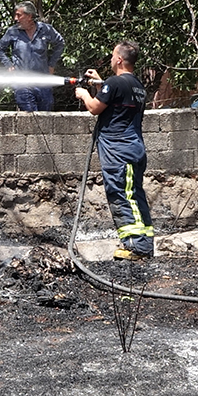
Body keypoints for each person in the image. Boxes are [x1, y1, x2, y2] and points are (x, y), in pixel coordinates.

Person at [74, 41, 154, 260]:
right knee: (134, 195)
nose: (110, 59)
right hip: (132, 147)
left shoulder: (116, 82)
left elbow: (94, 108)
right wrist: (102, 86)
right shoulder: (136, 84)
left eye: (112, 56)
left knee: (124, 195)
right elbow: (115, 105)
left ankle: (138, 247)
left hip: (119, 151)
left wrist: (83, 94)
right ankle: (142, 243)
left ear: (119, 59)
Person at [0, 1, 65, 111]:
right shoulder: (13, 32)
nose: (15, 18)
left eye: (19, 15)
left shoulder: (45, 29)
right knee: (30, 118)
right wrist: (9, 65)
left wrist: (51, 64)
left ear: (29, 16)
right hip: (22, 83)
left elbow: (60, 43)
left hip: (43, 81)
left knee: (45, 117)